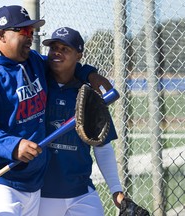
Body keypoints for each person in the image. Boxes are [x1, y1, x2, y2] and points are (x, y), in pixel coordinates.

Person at [0, 5, 112, 216]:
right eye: (25, 32)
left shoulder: (33, 61)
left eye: (32, 31)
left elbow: (61, 62)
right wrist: (12, 145)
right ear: (1, 35)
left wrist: (89, 74)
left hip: (31, 182)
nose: (31, 37)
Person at [38, 27, 125, 216]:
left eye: (65, 49)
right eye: (54, 48)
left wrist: (116, 190)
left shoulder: (88, 95)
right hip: (42, 194)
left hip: (82, 193)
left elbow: (102, 146)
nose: (57, 53)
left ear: (79, 55)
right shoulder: (38, 85)